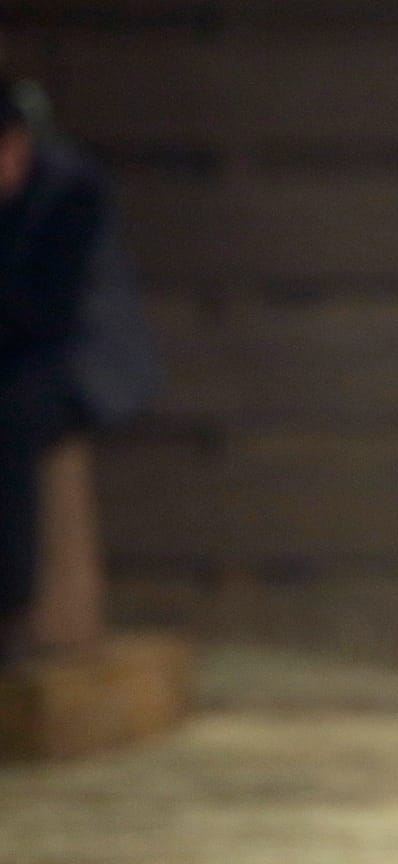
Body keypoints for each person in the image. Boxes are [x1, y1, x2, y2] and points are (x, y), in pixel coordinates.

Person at [0, 75, 154, 663]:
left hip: (83, 362)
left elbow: (46, 313)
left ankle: (13, 607)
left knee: (11, 425)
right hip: (24, 353)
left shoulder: (69, 191)